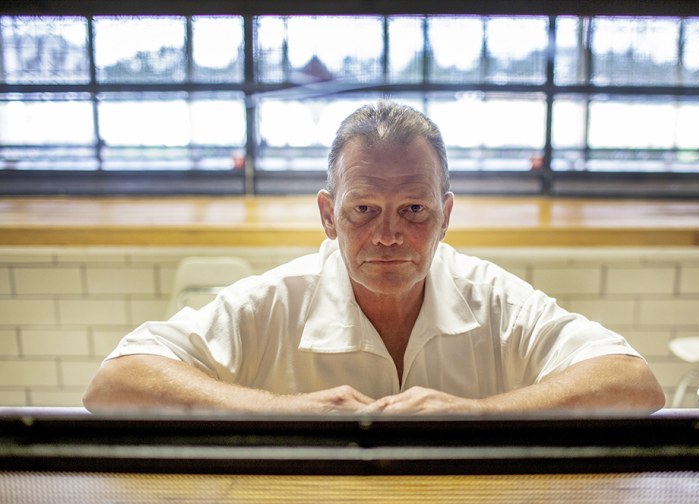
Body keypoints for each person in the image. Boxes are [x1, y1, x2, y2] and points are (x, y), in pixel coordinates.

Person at [83, 101, 665, 415]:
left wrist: (479, 413)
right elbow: (115, 381)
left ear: (446, 214)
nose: (388, 235)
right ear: (327, 216)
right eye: (363, 210)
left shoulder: (493, 297)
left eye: (413, 209)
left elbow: (634, 382)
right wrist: (282, 411)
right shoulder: (278, 298)